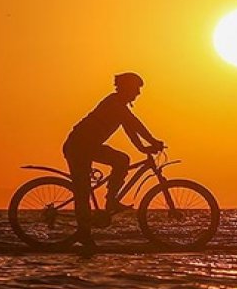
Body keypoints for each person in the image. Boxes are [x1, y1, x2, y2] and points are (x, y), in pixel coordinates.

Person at [63, 72, 164, 251]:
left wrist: (143, 148)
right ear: (127, 88)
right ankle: (86, 231)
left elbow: (130, 129)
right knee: (83, 191)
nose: (138, 93)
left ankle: (110, 201)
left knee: (122, 160)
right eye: (136, 89)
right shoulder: (114, 103)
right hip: (78, 147)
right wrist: (153, 141)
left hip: (89, 146)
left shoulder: (120, 106)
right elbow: (135, 124)